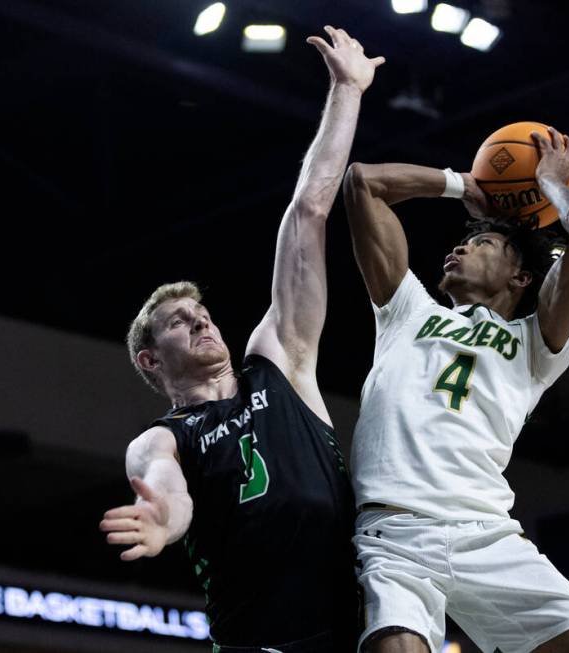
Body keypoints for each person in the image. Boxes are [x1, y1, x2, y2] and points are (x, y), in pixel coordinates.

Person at [98, 26, 384, 653]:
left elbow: (308, 210)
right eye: (179, 320)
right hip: (263, 642)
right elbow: (169, 492)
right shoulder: (162, 438)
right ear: (150, 358)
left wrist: (347, 91)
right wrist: (160, 522)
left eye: (201, 312)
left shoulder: (280, 360)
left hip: (358, 623)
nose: (200, 321)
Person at [341, 129, 569, 653]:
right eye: (464, 241)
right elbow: (362, 183)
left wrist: (549, 183)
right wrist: (460, 184)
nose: (459, 247)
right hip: (395, 534)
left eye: (482, 243)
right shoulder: (408, 312)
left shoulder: (538, 341)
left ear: (520, 277)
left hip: (487, 531)